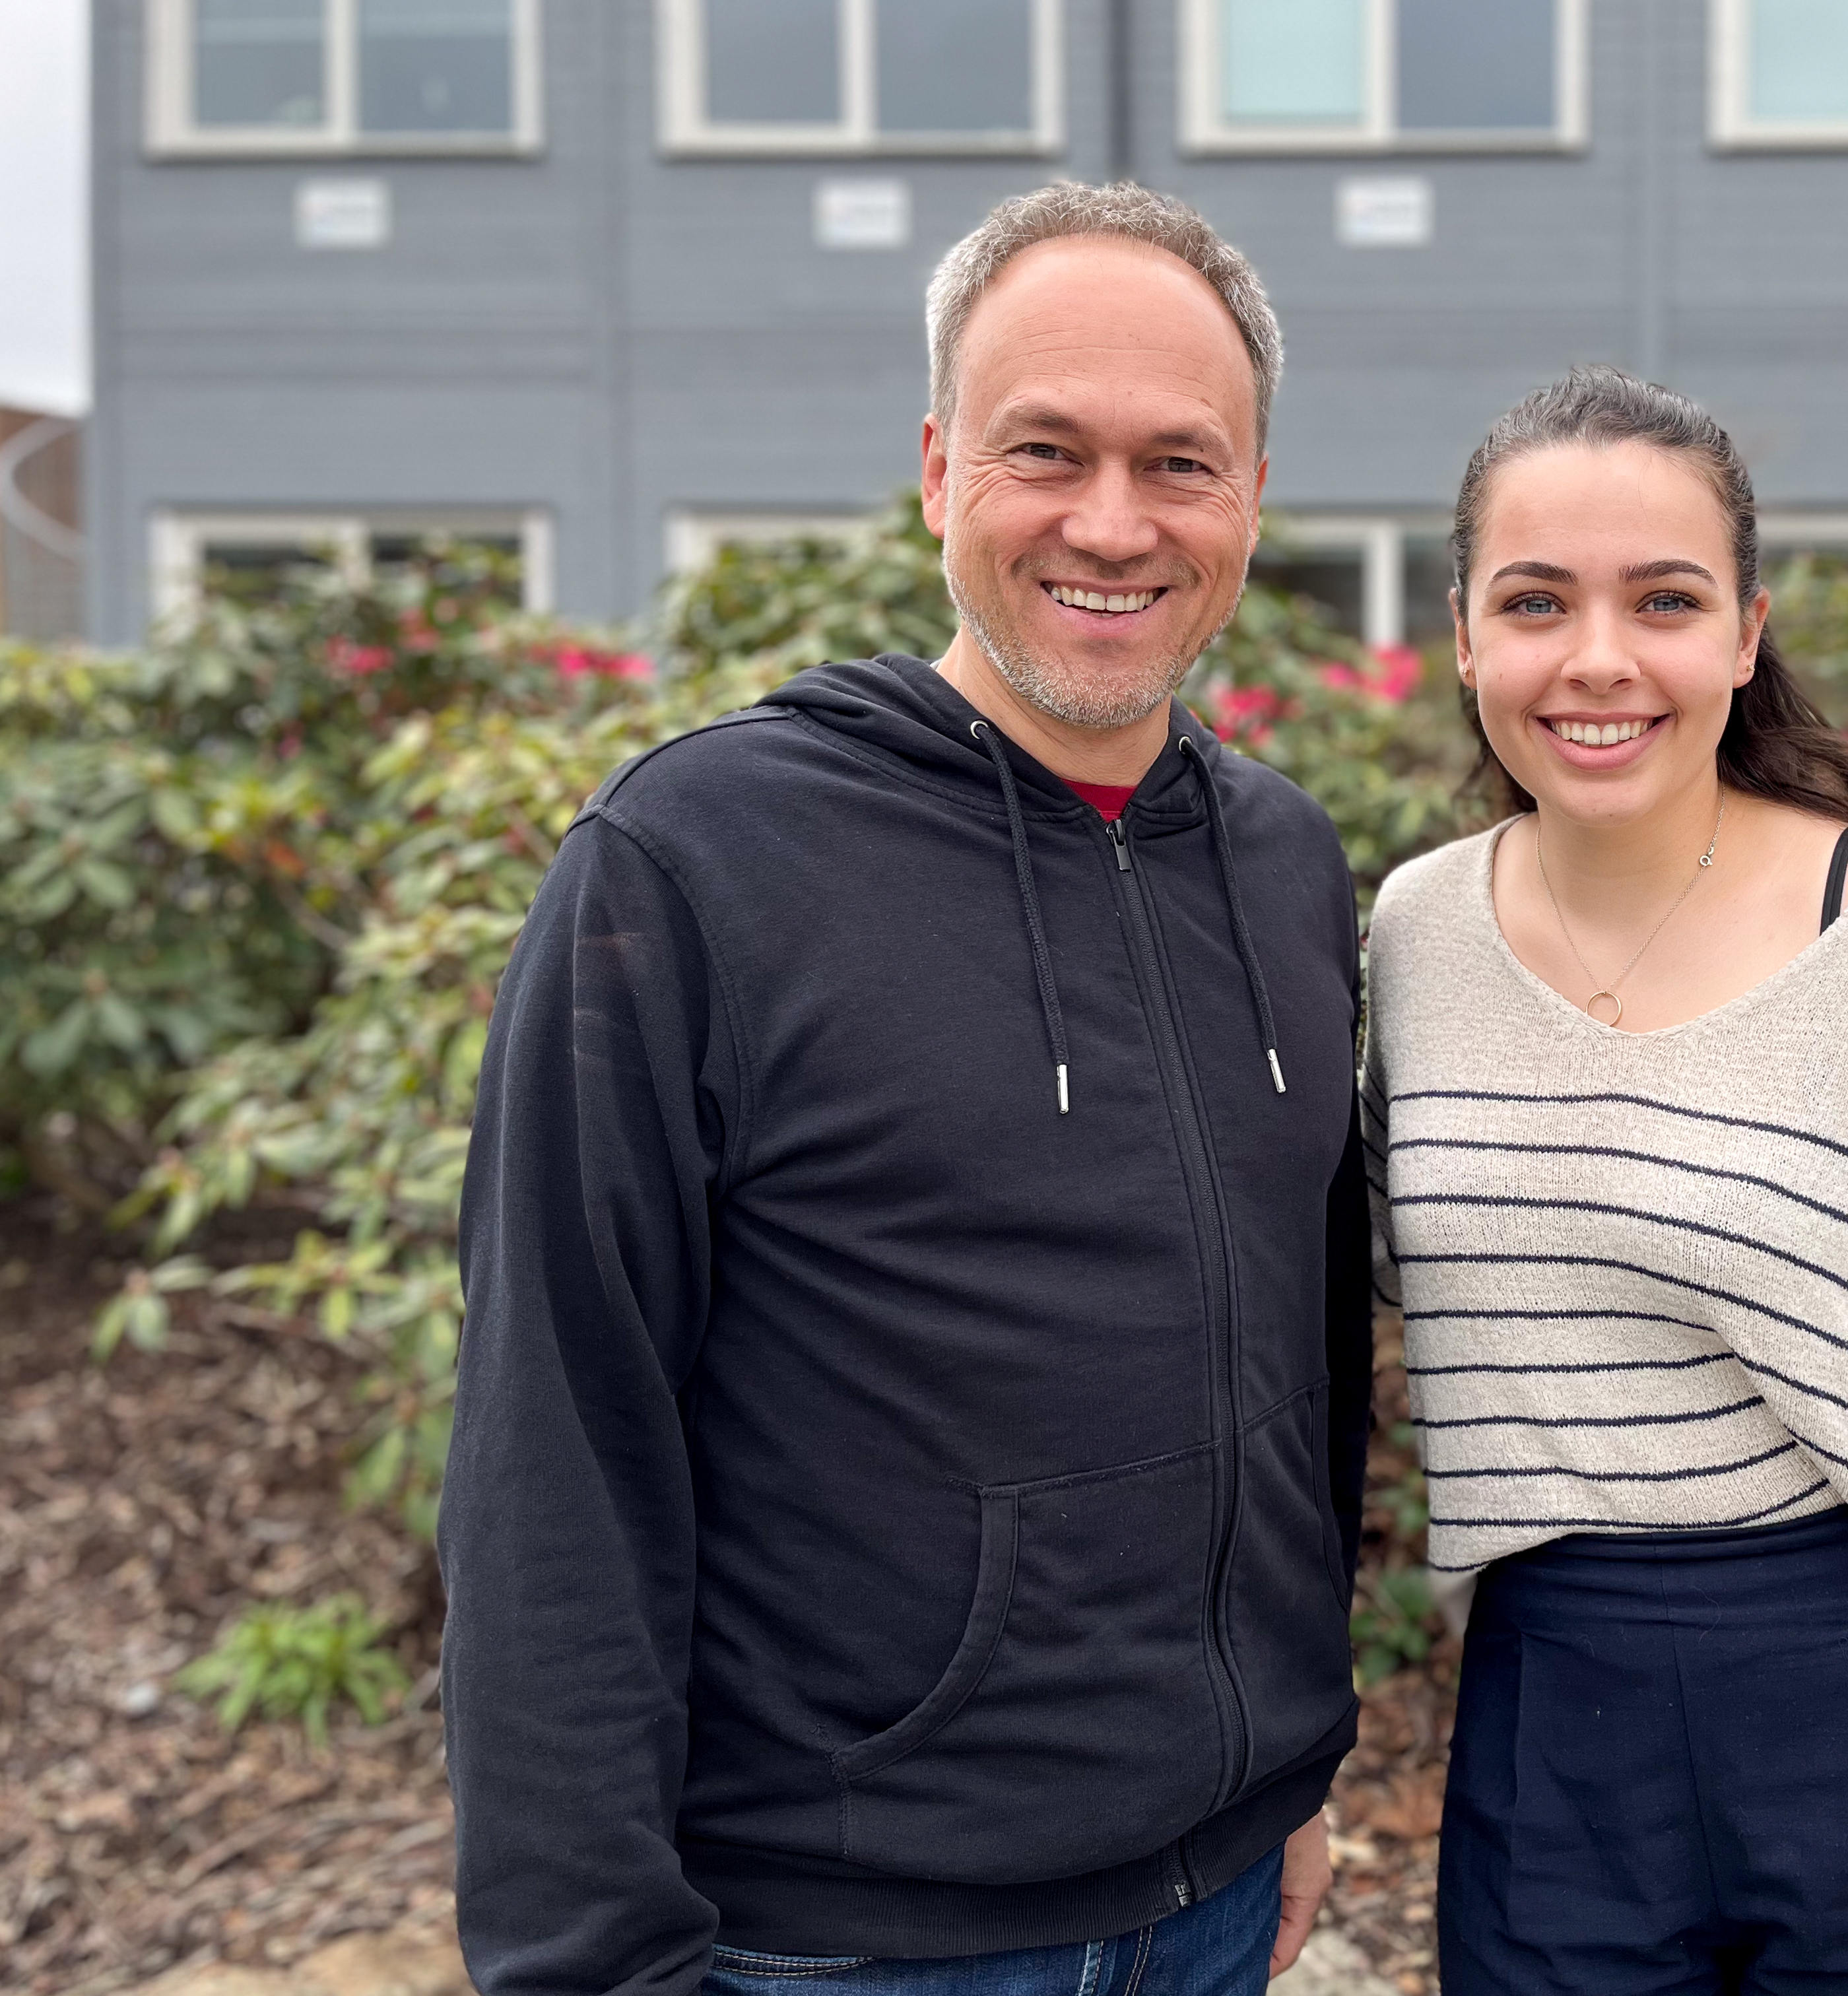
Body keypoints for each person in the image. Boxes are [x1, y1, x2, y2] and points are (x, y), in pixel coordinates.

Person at [440, 184, 1373, 1996]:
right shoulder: (698, 861)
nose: (1114, 523)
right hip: (843, 1949)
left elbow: (1301, 1357)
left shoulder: (1283, 862)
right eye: (1047, 451)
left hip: (1225, 1902)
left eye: (1182, 463)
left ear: (1253, 495)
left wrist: (1295, 1757)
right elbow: (555, 1450)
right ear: (940, 470)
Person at [1362, 366, 1848, 1995]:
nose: (1598, 658)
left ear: (1747, 630)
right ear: (1465, 628)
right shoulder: (1412, 933)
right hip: (1547, 1722)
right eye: (1536, 600)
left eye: (1664, 600)